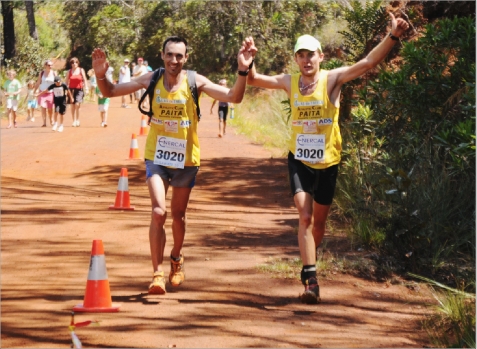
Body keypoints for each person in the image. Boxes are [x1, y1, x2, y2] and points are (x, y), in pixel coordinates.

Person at [246, 13, 409, 304]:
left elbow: (368, 63)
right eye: (301, 55)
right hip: (300, 159)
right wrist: (248, 62)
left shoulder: (332, 79)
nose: (306, 60)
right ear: (296, 60)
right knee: (305, 216)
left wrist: (393, 35)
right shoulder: (289, 82)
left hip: (329, 161)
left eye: (311, 54)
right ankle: (311, 279)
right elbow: (256, 79)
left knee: (318, 225)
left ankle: (309, 259)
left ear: (321, 56)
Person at [92, 35, 254, 295]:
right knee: (158, 211)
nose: (174, 60)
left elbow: (234, 96)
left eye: (179, 56)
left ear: (185, 58)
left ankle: (176, 259)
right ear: (162, 55)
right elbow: (110, 91)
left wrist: (243, 70)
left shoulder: (194, 81)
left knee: (178, 215)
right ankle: (157, 273)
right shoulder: (151, 79)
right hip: (156, 156)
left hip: (186, 160)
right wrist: (101, 75)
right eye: (170, 55)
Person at [65, 57, 88, 127]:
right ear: (71, 64)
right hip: (71, 90)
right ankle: (74, 120)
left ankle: (78, 119)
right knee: (72, 106)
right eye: (72, 62)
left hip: (79, 89)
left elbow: (84, 79)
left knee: (77, 104)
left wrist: (86, 88)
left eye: (76, 62)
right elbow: (66, 82)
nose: (74, 64)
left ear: (78, 63)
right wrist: (65, 90)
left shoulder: (81, 70)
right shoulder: (69, 72)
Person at [35, 59, 57, 127]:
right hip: (42, 92)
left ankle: (51, 119)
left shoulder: (54, 73)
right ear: (45, 65)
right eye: (48, 65)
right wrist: (34, 90)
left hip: (51, 92)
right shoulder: (41, 73)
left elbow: (57, 82)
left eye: (51, 65)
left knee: (50, 109)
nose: (50, 66)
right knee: (43, 107)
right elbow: (38, 82)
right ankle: (44, 122)